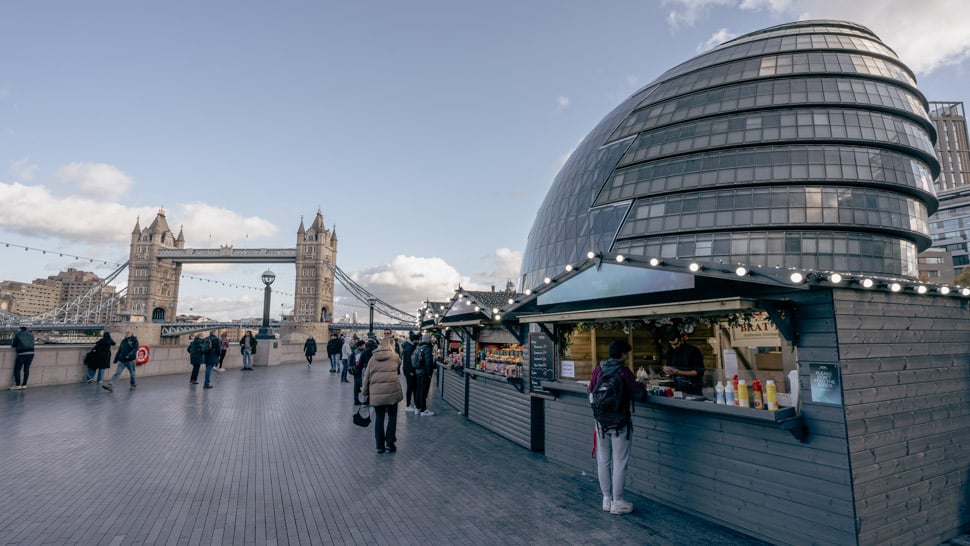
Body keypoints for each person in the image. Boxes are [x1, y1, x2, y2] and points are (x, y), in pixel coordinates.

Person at [588, 339, 647, 515]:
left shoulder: (598, 369)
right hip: (620, 423)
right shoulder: (623, 372)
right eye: (626, 354)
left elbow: (590, 391)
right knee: (620, 462)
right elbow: (639, 395)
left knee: (603, 460)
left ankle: (606, 499)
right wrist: (643, 385)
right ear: (622, 354)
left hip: (601, 423)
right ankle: (618, 501)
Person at [361, 335, 404, 453]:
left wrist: (364, 392)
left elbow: (367, 377)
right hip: (392, 392)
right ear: (391, 345)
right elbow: (399, 366)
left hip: (376, 393)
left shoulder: (372, 358)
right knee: (392, 417)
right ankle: (390, 443)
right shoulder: (395, 357)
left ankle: (379, 446)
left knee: (379, 418)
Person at [412, 334, 435, 416]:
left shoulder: (419, 347)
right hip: (424, 373)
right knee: (423, 391)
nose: (431, 340)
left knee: (418, 390)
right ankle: (423, 410)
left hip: (418, 372)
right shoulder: (427, 348)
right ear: (428, 340)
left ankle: (417, 408)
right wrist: (429, 374)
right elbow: (428, 362)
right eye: (430, 339)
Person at [9, 326, 35, 390]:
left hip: (22, 353)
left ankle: (18, 385)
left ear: (20, 329)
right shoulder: (31, 335)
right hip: (31, 353)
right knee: (26, 369)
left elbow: (13, 345)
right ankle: (24, 384)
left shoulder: (18, 334)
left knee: (17, 369)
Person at [353, 339, 374, 405]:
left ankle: (358, 400)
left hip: (359, 370)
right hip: (363, 371)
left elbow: (358, 363)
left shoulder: (360, 352)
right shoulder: (373, 352)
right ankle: (367, 400)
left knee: (358, 385)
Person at [400, 332, 417, 412]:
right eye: (417, 340)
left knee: (411, 387)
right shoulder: (410, 348)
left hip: (406, 369)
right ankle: (408, 405)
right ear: (414, 340)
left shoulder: (407, 346)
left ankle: (410, 404)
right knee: (410, 387)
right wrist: (410, 371)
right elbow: (409, 361)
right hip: (409, 370)